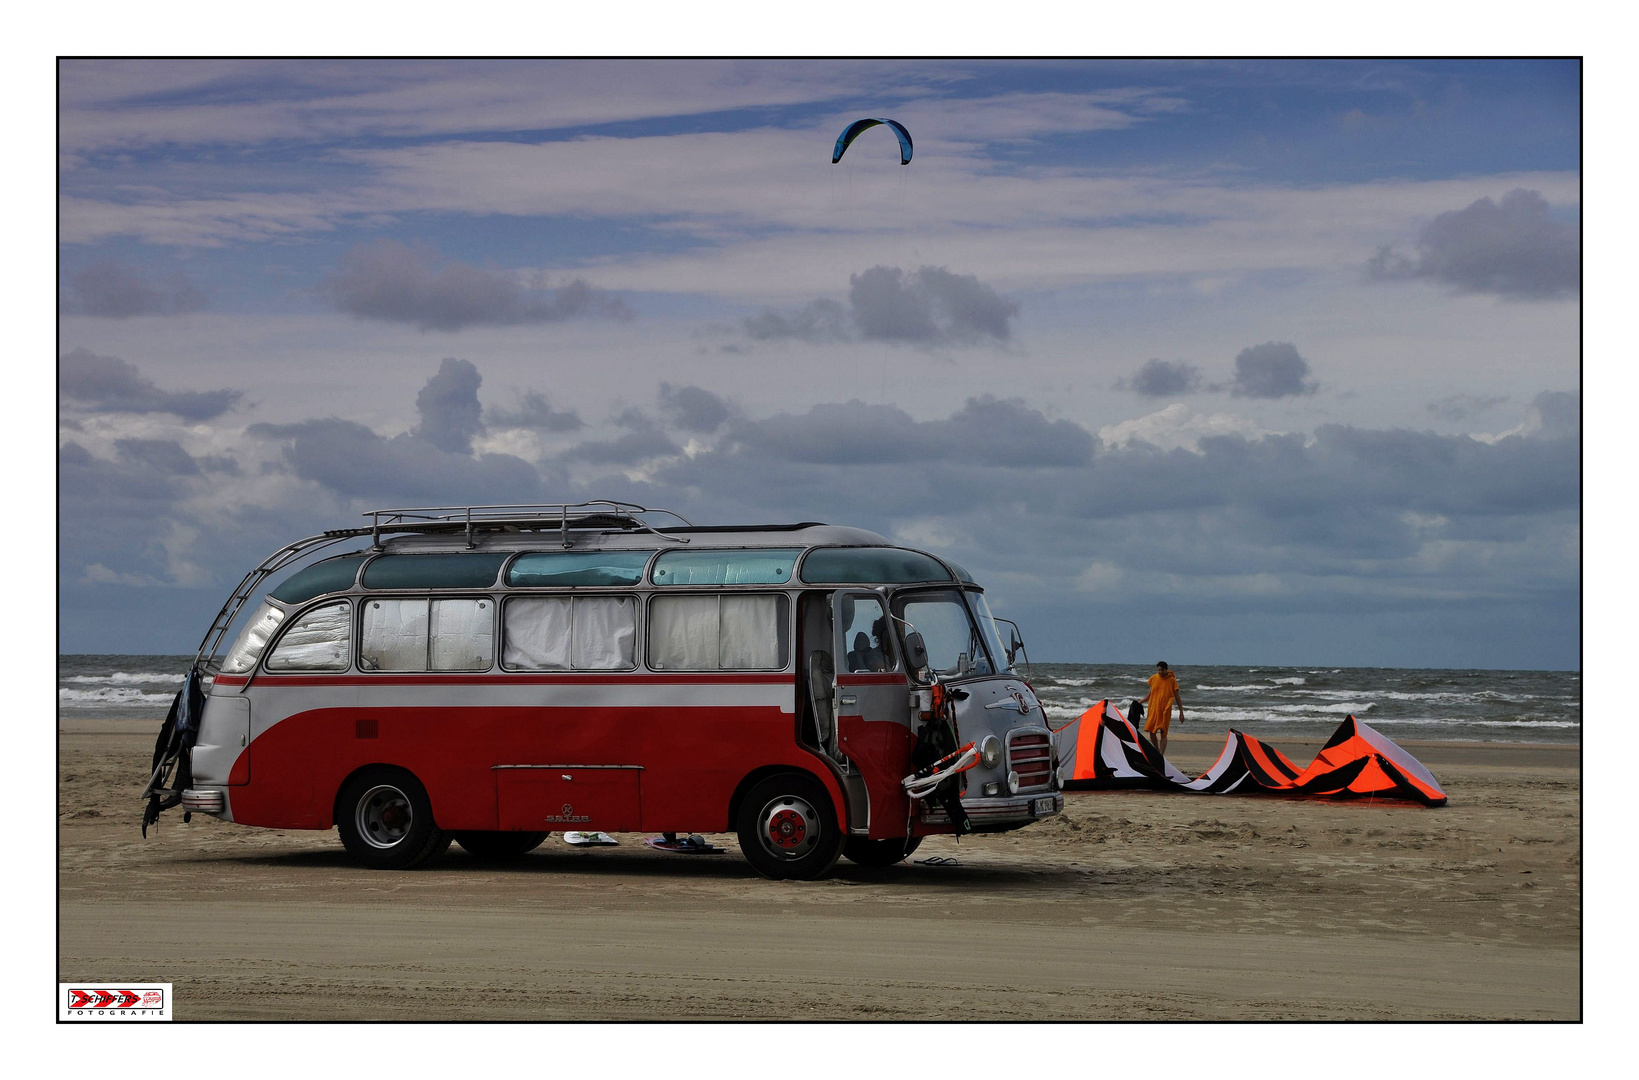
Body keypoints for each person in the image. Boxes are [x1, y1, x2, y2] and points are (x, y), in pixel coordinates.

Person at [1143, 661, 1185, 757]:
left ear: (1166, 670)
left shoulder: (1172, 681)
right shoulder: (1154, 678)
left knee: (1163, 732)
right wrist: (1143, 700)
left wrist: (1181, 712)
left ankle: (1161, 755)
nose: (1160, 672)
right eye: (1159, 670)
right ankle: (1157, 751)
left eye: (1162, 670)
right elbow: (1151, 692)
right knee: (1151, 730)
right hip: (1153, 708)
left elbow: (1177, 697)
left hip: (1165, 709)